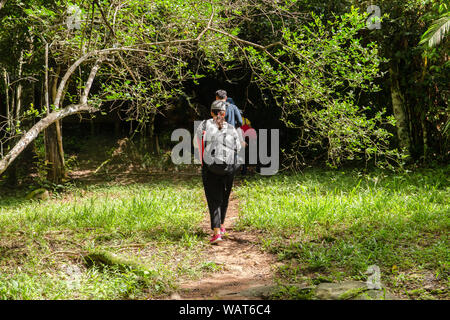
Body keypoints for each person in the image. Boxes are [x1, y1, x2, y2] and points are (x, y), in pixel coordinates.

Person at [194, 100, 242, 244]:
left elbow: (196, 145)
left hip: (210, 168)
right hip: (229, 168)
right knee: (224, 197)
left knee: (213, 199)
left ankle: (216, 233)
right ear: (224, 113)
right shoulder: (232, 128)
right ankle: (221, 226)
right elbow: (238, 148)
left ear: (211, 112)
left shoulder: (203, 125)